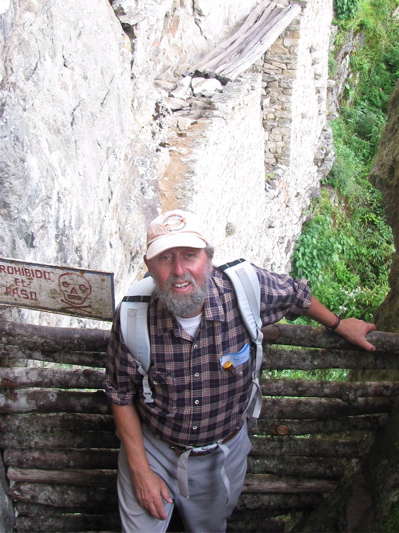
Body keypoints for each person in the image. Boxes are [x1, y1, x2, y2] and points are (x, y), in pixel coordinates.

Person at [104, 209, 376, 533]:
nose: (179, 271)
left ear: (208, 257)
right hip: (154, 449)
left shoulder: (244, 288)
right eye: (165, 259)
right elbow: (120, 394)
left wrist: (339, 324)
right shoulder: (133, 316)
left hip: (221, 452)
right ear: (149, 267)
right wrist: (139, 468)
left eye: (190, 256)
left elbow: (295, 295)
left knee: (209, 528)